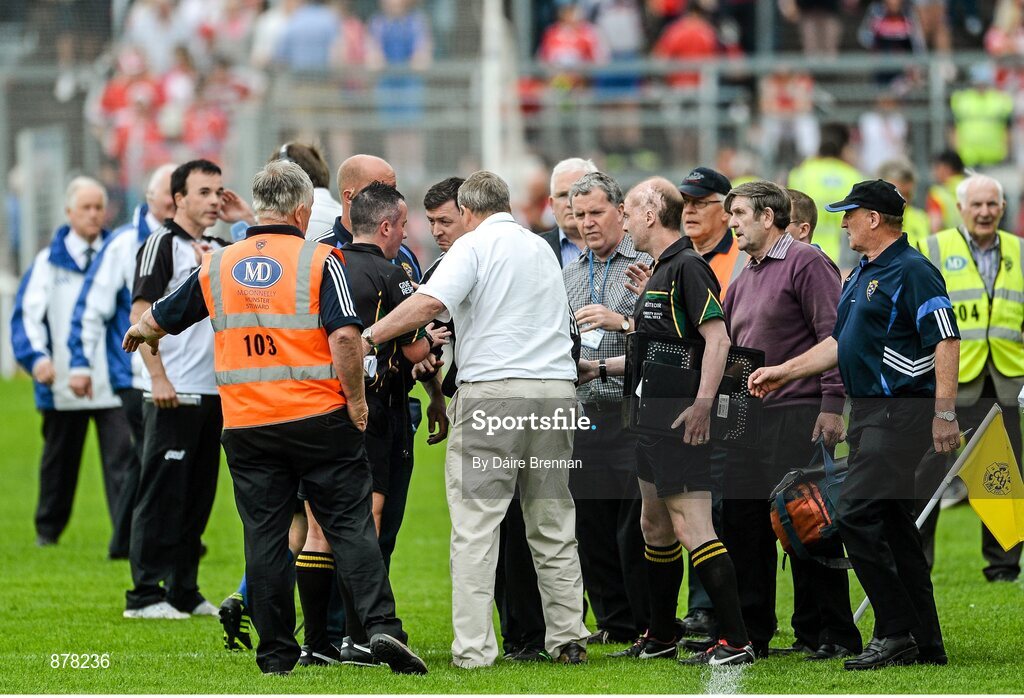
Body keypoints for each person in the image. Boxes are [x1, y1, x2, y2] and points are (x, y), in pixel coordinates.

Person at [122, 160, 427, 676]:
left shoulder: (218, 264)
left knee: (264, 537)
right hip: (318, 419)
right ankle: (380, 629)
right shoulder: (320, 260)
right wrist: (356, 401)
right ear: (303, 211)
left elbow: (162, 314)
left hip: (246, 424)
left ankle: (277, 655)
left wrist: (144, 332)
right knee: (350, 525)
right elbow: (347, 338)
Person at [357, 170, 590, 667]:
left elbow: (428, 303)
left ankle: (474, 649)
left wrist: (368, 338)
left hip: (495, 395)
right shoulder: (540, 249)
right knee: (552, 520)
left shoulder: (472, 246)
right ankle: (568, 636)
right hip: (553, 392)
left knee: (477, 527)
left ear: (466, 211)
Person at [750, 179, 960, 670]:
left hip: (900, 414)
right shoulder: (864, 272)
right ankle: (924, 641)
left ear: (873, 219)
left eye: (849, 214)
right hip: (868, 415)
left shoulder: (913, 271)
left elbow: (946, 340)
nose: (842, 223)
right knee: (893, 525)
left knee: (853, 516)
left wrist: (944, 412)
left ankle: (893, 631)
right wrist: (784, 372)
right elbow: (839, 345)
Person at [581, 176, 755, 666]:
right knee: (652, 523)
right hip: (648, 417)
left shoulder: (688, 267)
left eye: (629, 210)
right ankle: (660, 634)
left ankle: (736, 641)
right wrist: (596, 368)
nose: (625, 218)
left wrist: (702, 404)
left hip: (679, 419)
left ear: (652, 212)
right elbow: (653, 349)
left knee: (692, 524)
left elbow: (717, 341)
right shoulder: (657, 270)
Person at [721, 180, 861, 660]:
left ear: (768, 216)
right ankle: (752, 635)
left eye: (739, 213)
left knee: (808, 525)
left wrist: (831, 404)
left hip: (799, 412)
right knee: (743, 526)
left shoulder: (806, 261)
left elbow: (835, 336)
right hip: (749, 421)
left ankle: (833, 632)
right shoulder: (744, 275)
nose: (732, 223)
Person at [297, 181, 435, 667]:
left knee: (317, 529)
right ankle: (358, 637)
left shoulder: (320, 266)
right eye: (402, 224)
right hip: (371, 411)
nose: (406, 233)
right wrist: (431, 337)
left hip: (316, 406)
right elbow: (416, 349)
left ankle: (316, 644)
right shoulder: (392, 271)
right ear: (385, 226)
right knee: (366, 523)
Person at [418, 176, 549, 661]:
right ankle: (530, 636)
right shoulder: (451, 264)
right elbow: (434, 337)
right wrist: (432, 375)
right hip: (500, 397)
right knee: (506, 524)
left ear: (471, 212)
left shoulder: (482, 254)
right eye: (431, 222)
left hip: (497, 398)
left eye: (446, 220)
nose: (438, 230)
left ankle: (521, 635)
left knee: (512, 525)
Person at [123, 159, 235, 619]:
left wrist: (240, 214)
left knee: (198, 495)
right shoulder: (160, 244)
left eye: (218, 192)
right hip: (174, 390)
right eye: (204, 192)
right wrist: (159, 378)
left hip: (215, 392)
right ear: (178, 199)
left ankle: (184, 589)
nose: (213, 201)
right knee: (161, 492)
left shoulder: (223, 248)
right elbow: (141, 314)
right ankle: (145, 593)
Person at [11, 177, 135, 552]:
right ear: (69, 213)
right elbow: (26, 317)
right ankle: (48, 530)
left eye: (99, 207)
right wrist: (37, 360)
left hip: (112, 378)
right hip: (61, 381)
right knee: (58, 463)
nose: (95, 214)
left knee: (122, 462)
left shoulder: (118, 253)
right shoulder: (48, 262)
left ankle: (125, 536)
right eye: (87, 208)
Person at [66, 163, 176, 559]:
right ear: (151, 199)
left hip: (170, 372)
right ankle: (146, 544)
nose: (177, 200)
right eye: (170, 193)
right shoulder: (125, 244)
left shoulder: (187, 241)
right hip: (129, 371)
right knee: (154, 455)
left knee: (146, 456)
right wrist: (79, 364)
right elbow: (90, 308)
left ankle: (131, 540)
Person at [918, 174, 1023, 582]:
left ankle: (1003, 567)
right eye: (976, 205)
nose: (984, 212)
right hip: (950, 381)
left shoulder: (1020, 251)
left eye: (992, 204)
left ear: (1002, 207)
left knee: (1002, 477)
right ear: (960, 208)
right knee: (926, 474)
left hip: (1006, 381)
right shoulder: (934, 248)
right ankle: (918, 562)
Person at [563, 172, 652, 646]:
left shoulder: (647, 263)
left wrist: (624, 319)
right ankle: (614, 623)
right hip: (583, 411)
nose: (587, 223)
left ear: (620, 210)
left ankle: (646, 621)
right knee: (590, 524)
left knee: (635, 524)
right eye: (579, 215)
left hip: (629, 410)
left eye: (596, 212)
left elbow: (667, 331)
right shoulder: (571, 271)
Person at [787, 124, 864, 270]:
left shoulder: (800, 174)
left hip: (806, 254)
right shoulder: (854, 176)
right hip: (844, 258)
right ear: (845, 147)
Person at [678, 167, 746, 296]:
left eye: (699, 202)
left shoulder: (747, 259)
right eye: (685, 202)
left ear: (726, 211)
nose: (688, 210)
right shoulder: (670, 258)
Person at [540, 157, 599, 268]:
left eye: (577, 193)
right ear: (552, 204)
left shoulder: (619, 244)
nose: (569, 203)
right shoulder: (536, 248)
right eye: (562, 195)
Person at [877, 158, 931, 248]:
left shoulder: (921, 218)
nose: (904, 201)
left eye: (908, 194)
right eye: (899, 194)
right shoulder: (866, 218)